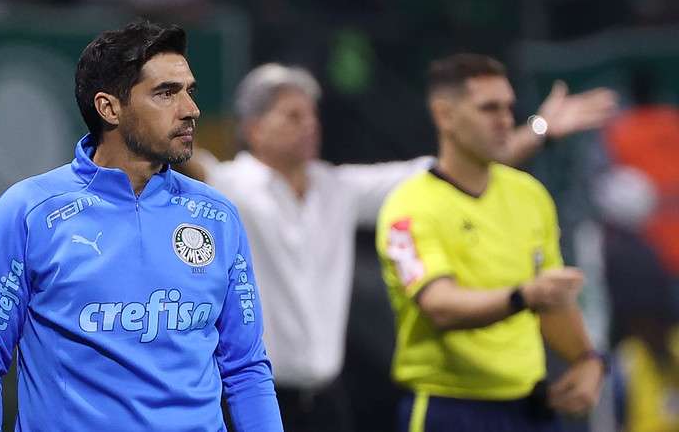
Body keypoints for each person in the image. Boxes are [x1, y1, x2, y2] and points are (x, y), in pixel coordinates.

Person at [177, 61, 616, 431]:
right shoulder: (231, 186)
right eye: (293, 116)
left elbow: (453, 171)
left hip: (329, 400)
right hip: (248, 396)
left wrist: (539, 131)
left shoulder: (337, 189)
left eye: (313, 114)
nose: (310, 125)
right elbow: (186, 163)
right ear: (253, 129)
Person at [0, 19, 283, 432]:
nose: (191, 109)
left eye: (189, 91)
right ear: (109, 107)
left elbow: (247, 369)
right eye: (166, 93)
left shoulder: (216, 216)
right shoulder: (29, 211)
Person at [376, 53, 606, 432]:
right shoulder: (408, 207)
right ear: (444, 115)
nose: (504, 120)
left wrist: (587, 359)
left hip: (529, 407)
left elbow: (550, 300)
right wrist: (522, 296)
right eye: (489, 108)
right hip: (447, 408)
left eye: (508, 108)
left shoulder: (530, 195)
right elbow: (440, 306)